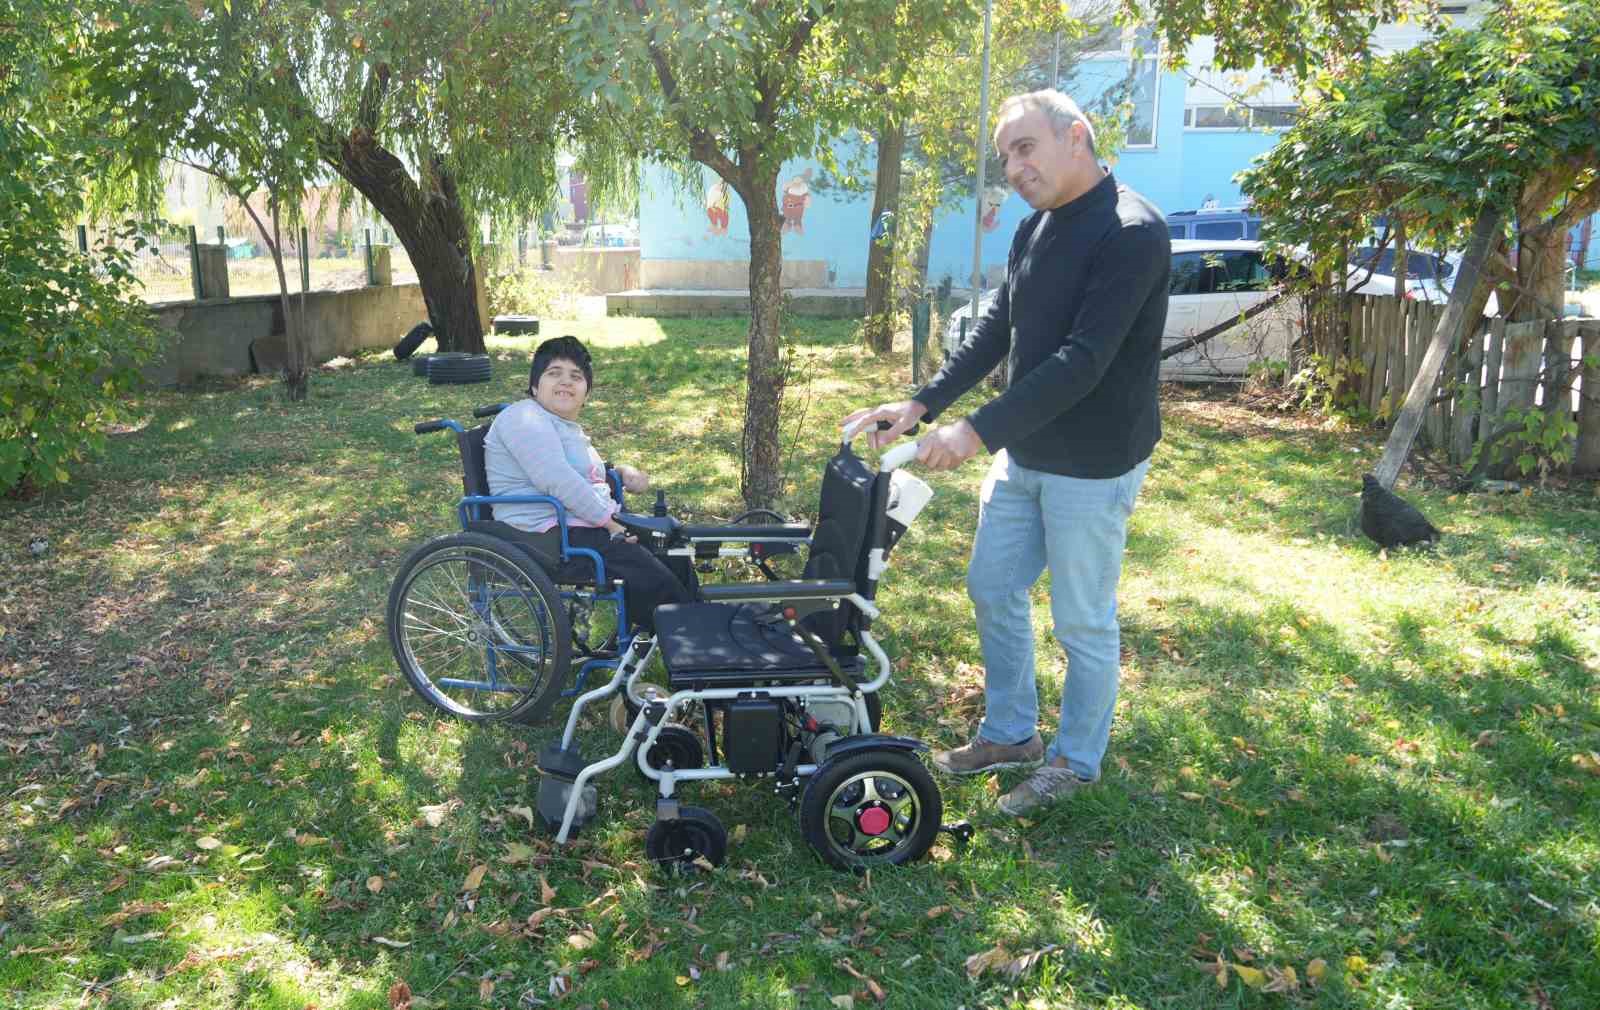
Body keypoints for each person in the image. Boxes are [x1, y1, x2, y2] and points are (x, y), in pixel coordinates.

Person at [844, 89, 1169, 817]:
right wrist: (923, 404)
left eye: (1026, 147)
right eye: (1005, 157)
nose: (1014, 167)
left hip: (1094, 461)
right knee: (993, 585)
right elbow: (997, 331)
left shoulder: (1132, 233)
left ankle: (1074, 762)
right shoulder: (1036, 229)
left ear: (1076, 136)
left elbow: (1082, 361)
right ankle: (1012, 733)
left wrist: (973, 432)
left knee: (1082, 619)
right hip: (1025, 452)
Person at [484, 335, 692, 634]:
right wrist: (611, 524)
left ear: (586, 392)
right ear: (534, 386)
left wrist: (620, 472)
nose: (566, 382)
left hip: (578, 523)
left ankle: (701, 630)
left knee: (672, 546)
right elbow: (556, 477)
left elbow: (583, 473)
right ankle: (687, 639)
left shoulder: (561, 425)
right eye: (554, 373)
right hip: (544, 534)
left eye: (576, 376)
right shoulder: (523, 417)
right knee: (644, 569)